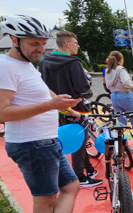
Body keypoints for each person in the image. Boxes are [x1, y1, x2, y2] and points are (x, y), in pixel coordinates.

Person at [0, 15, 88, 213]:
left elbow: (43, 91)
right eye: (34, 43)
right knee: (45, 199)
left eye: (43, 43)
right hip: (31, 144)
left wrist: (63, 106)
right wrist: (50, 105)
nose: (40, 49)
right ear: (14, 39)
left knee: (71, 187)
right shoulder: (3, 67)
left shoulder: (25, 65)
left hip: (47, 140)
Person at [39, 30, 102, 188]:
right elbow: (82, 88)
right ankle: (79, 176)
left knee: (76, 138)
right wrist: (88, 92)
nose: (78, 46)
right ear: (66, 43)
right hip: (76, 107)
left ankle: (88, 168)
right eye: (76, 43)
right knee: (79, 141)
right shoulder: (73, 62)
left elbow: (42, 86)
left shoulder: (44, 61)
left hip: (56, 106)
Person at [104, 51, 133, 153]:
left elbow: (107, 85)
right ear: (120, 60)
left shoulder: (107, 70)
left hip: (114, 96)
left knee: (121, 123)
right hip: (125, 95)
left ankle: (126, 146)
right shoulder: (121, 70)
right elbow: (126, 82)